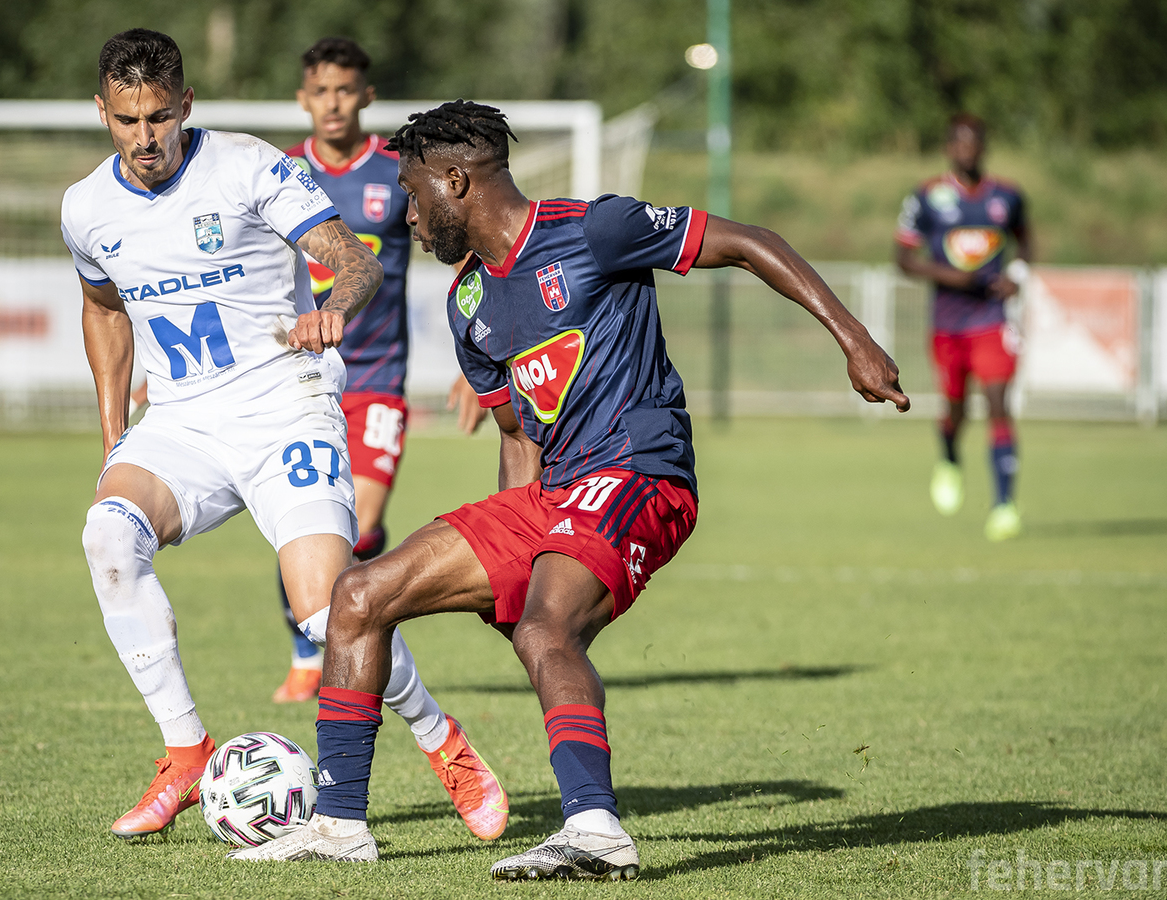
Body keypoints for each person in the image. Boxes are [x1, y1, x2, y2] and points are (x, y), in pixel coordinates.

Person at [230, 101, 908, 877]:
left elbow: (753, 243)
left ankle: (595, 831)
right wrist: (507, 562)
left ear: (456, 181)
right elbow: (518, 439)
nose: (407, 216)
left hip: (642, 470)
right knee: (357, 597)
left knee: (546, 628)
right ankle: (339, 825)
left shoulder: (596, 230)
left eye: (414, 195)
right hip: (555, 492)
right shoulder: (469, 303)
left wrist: (856, 340)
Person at [62, 31, 505, 843]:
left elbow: (357, 261)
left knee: (327, 612)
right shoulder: (86, 208)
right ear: (102, 112)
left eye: (159, 117)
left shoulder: (248, 166)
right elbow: (102, 310)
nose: (145, 137)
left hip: (284, 406)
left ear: (186, 104)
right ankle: (186, 752)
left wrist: (333, 308)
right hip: (182, 423)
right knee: (108, 537)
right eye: (127, 120)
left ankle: (442, 739)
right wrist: (114, 434)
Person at [269, 36, 487, 703]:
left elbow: (469, 253)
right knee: (304, 523)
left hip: (375, 382)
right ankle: (307, 652)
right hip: (297, 382)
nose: (333, 103)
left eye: (345, 90)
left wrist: (481, 356)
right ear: (303, 98)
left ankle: (352, 641)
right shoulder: (279, 173)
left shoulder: (397, 172)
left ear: (366, 95)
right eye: (321, 91)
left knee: (356, 527)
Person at [895, 113, 1033, 541]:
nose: (967, 150)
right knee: (955, 407)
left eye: (974, 142)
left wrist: (1017, 275)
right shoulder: (927, 197)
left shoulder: (1007, 196)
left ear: (984, 147)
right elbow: (903, 259)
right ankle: (950, 457)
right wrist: (953, 277)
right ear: (949, 148)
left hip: (992, 318)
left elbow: (1026, 240)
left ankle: (1004, 505)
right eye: (960, 143)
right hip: (948, 323)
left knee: (998, 403)